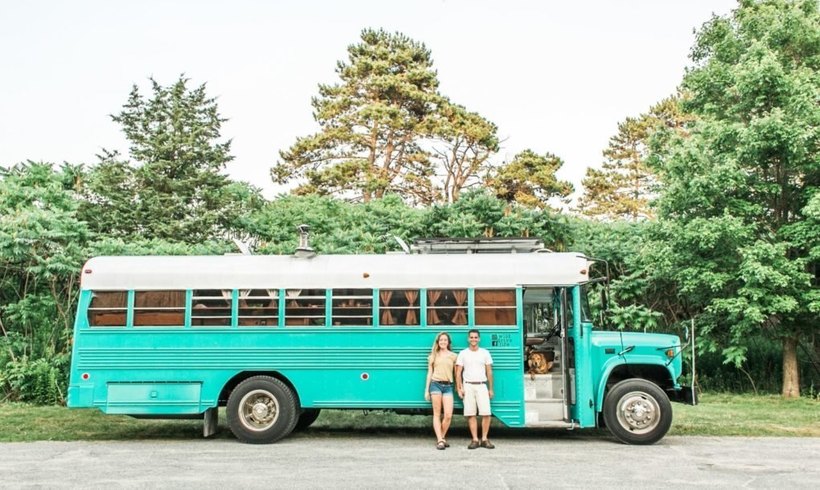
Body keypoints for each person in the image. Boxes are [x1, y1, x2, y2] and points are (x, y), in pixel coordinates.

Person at [456, 329, 495, 449]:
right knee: (471, 413)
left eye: (475, 337)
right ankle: (474, 439)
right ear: (468, 339)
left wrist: (490, 388)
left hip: (481, 385)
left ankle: (484, 439)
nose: (473, 339)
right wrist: (459, 388)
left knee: (486, 413)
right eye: (471, 337)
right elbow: (458, 373)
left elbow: (489, 371)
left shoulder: (485, 353)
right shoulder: (463, 353)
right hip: (468, 385)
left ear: (479, 339)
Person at [424, 331, 458, 450]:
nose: (443, 342)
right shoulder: (433, 356)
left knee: (448, 415)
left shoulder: (454, 356)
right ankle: (440, 440)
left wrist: (459, 387)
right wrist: (426, 390)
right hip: (435, 385)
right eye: (441, 340)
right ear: (438, 342)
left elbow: (456, 374)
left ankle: (441, 437)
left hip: (448, 386)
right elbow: (430, 373)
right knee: (437, 414)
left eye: (445, 340)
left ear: (448, 342)